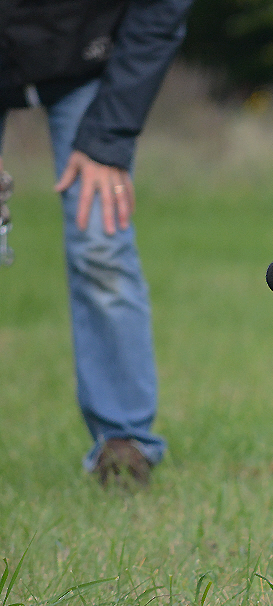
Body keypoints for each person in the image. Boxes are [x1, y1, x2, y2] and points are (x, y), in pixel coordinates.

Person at [0, 0, 194, 487]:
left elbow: (161, 10)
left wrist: (108, 138)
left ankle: (123, 441)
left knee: (100, 243)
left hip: (87, 60)